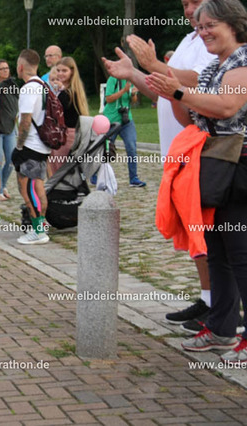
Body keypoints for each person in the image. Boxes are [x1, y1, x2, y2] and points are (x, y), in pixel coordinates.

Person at [102, 0, 217, 331]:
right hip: (178, 151)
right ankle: (209, 298)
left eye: (195, 2)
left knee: (210, 231)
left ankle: (223, 307)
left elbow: (199, 80)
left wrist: (153, 64)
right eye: (184, 3)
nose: (189, 9)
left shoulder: (215, 39)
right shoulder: (187, 40)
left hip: (202, 148)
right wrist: (134, 73)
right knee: (195, 232)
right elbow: (163, 92)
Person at [146, 0, 247, 362]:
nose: (203, 32)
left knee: (241, 253)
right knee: (218, 251)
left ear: (233, 24)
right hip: (217, 167)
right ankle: (221, 329)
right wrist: (169, 90)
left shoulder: (242, 61)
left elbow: (226, 107)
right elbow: (192, 116)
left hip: (239, 169)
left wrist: (176, 90)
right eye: (200, 27)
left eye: (210, 26)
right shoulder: (214, 66)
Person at [12, 49, 50, 245]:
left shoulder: (28, 89)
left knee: (28, 190)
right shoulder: (44, 86)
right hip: (43, 145)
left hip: (30, 145)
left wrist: (19, 147)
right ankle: (41, 226)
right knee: (38, 187)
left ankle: (38, 231)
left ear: (20, 67)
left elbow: (25, 121)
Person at [103, 76, 146, 187]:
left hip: (126, 120)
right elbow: (108, 99)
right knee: (105, 149)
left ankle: (134, 178)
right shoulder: (112, 79)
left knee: (131, 147)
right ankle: (97, 175)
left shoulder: (130, 80)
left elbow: (133, 101)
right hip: (111, 120)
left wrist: (133, 94)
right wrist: (124, 90)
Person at [49, 57, 89, 176]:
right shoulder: (72, 91)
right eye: (58, 70)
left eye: (64, 71)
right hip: (71, 133)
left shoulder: (67, 94)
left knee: (61, 172)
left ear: (72, 71)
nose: (60, 74)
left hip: (66, 135)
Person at [0, 59, 19, 201]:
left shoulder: (13, 85)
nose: (5, 71)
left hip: (11, 128)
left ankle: (3, 185)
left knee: (11, 160)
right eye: (2, 68)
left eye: (7, 68)